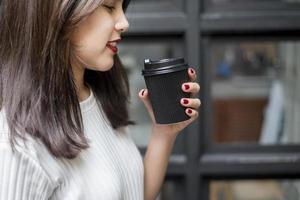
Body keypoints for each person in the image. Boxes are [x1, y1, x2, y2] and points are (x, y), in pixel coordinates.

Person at [0, 0, 201, 199]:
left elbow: (133, 194)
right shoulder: (16, 144)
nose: (124, 22)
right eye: (109, 7)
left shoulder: (99, 98)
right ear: (59, 12)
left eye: (122, 8)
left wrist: (164, 133)